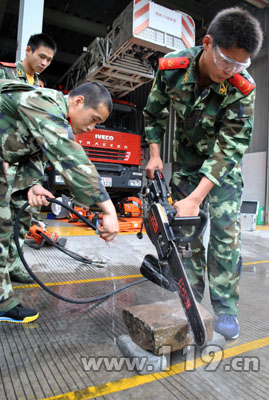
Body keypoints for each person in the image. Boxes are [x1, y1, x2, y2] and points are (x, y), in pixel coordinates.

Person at [143, 7, 263, 340]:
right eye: (226, 61)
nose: (231, 70)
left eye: (241, 64)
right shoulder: (173, 68)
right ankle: (191, 298)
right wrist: (154, 155)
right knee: (186, 238)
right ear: (207, 43)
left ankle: (226, 310)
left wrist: (196, 198)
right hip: (185, 163)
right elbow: (153, 113)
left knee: (225, 237)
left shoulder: (242, 88)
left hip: (221, 170)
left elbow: (229, 148)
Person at [0, 80, 119, 323]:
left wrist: (32, 184)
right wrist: (108, 209)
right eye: (94, 119)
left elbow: (31, 153)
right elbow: (70, 156)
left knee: (19, 213)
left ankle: (8, 269)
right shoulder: (45, 103)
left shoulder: (52, 116)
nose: (92, 128)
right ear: (78, 101)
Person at [0, 33, 57, 284]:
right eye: (41, 56)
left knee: (23, 214)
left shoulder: (42, 87)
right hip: (5, 156)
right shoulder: (5, 74)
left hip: (28, 163)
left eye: (49, 60)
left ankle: (13, 264)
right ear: (28, 51)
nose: (45, 62)